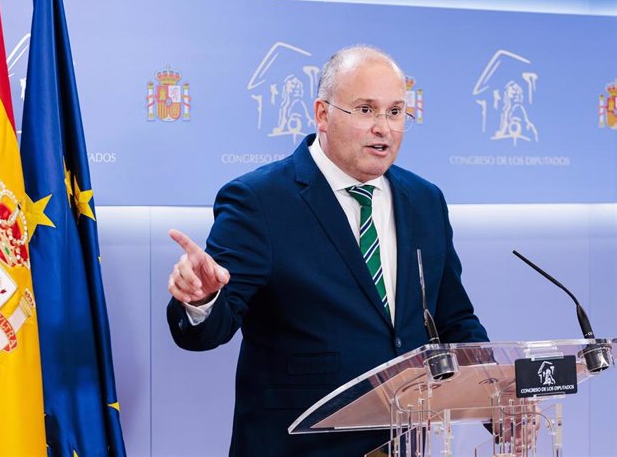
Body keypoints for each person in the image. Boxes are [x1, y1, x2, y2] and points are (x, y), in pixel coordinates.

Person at [166, 45, 489, 457]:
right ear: (323, 114)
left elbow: (454, 319)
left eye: (395, 112)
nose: (384, 128)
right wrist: (203, 299)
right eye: (367, 110)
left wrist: (500, 401)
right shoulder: (259, 200)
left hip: (404, 444)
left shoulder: (425, 200)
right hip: (298, 448)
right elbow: (211, 328)